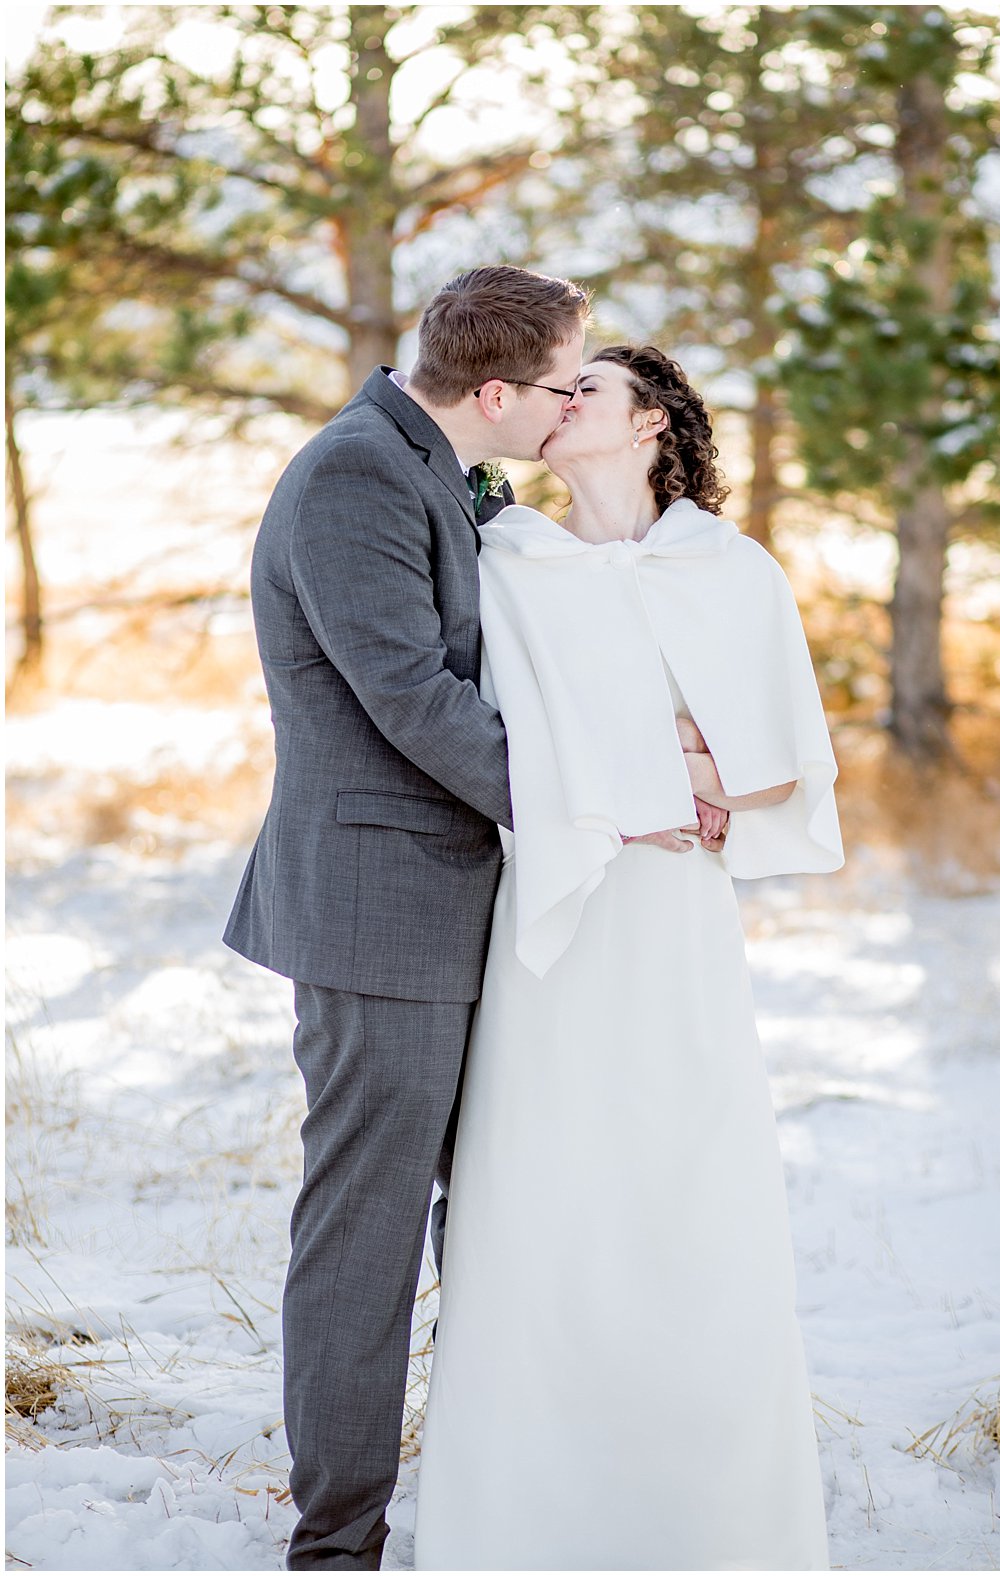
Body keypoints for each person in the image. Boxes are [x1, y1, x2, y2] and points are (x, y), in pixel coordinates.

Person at [412, 345, 845, 1571]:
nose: (560, 403)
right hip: (553, 918)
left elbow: (777, 768)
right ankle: (530, 1516)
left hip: (673, 920)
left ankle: (703, 1512)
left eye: (587, 389)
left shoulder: (729, 568)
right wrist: (657, 765)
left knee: (681, 1187)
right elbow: (492, 733)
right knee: (544, 1189)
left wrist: (667, 773)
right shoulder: (512, 559)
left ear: (650, 421)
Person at [223, 266, 596, 1570]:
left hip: (464, 904)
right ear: (493, 390)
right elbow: (413, 700)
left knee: (484, 1213)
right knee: (365, 1233)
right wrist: (607, 803)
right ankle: (337, 1541)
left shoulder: (438, 471)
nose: (572, 406)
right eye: (563, 383)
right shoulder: (353, 479)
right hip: (378, 911)